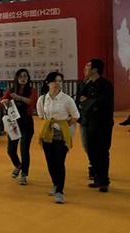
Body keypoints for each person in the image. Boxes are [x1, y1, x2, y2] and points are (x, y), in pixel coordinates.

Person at [37, 72, 79, 204]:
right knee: (50, 162)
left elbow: (75, 115)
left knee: (59, 162)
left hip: (62, 135)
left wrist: (64, 125)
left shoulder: (67, 99)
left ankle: (60, 191)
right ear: (47, 83)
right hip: (47, 134)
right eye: (55, 81)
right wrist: (50, 125)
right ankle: (55, 184)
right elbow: (41, 115)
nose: (57, 84)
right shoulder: (42, 99)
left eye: (60, 81)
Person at [0, 68, 38, 186]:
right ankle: (18, 165)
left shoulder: (32, 90)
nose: (23, 78)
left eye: (25, 76)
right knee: (11, 150)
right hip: (14, 123)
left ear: (28, 78)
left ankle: (24, 174)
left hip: (26, 122)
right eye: (20, 76)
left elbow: (32, 102)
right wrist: (3, 101)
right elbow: (0, 102)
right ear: (16, 78)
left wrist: (18, 97)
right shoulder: (11, 90)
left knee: (24, 149)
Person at [80, 59, 114, 193]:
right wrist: (89, 102)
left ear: (95, 70)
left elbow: (103, 103)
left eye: (88, 66)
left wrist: (88, 101)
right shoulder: (87, 84)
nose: (85, 67)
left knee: (103, 152)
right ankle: (98, 177)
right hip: (89, 123)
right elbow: (80, 99)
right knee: (91, 151)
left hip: (103, 123)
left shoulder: (106, 84)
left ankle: (104, 181)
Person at [75, 64, 94, 181]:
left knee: (95, 144)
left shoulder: (100, 84)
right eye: (84, 69)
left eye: (87, 69)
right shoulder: (81, 83)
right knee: (85, 143)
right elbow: (78, 98)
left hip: (95, 119)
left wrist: (87, 101)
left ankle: (93, 166)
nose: (84, 71)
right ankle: (93, 162)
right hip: (83, 118)